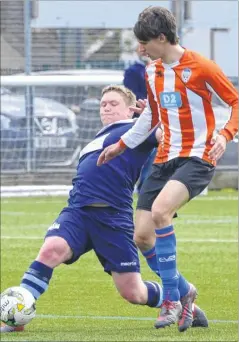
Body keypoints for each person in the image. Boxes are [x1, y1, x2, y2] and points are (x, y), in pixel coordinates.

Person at [1, 85, 207, 334]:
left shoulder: (136, 132)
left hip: (113, 219)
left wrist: (158, 123)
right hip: (77, 212)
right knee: (50, 250)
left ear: (130, 110)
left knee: (134, 292)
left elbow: (164, 135)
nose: (106, 107)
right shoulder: (94, 140)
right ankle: (17, 317)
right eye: (103, 104)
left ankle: (184, 300)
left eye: (113, 103)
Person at [97, 6, 238, 332]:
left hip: (197, 156)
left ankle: (171, 300)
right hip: (164, 159)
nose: (141, 49)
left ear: (162, 37)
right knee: (143, 237)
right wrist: (121, 145)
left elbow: (235, 102)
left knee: (161, 212)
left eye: (145, 42)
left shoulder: (201, 67)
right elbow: (152, 117)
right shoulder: (152, 71)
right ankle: (186, 292)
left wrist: (226, 134)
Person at [123, 46, 157, 194]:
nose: (143, 49)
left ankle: (146, 187)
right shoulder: (133, 71)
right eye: (141, 45)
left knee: (153, 155)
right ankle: (139, 186)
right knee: (144, 155)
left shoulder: (161, 68)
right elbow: (132, 95)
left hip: (157, 119)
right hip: (141, 120)